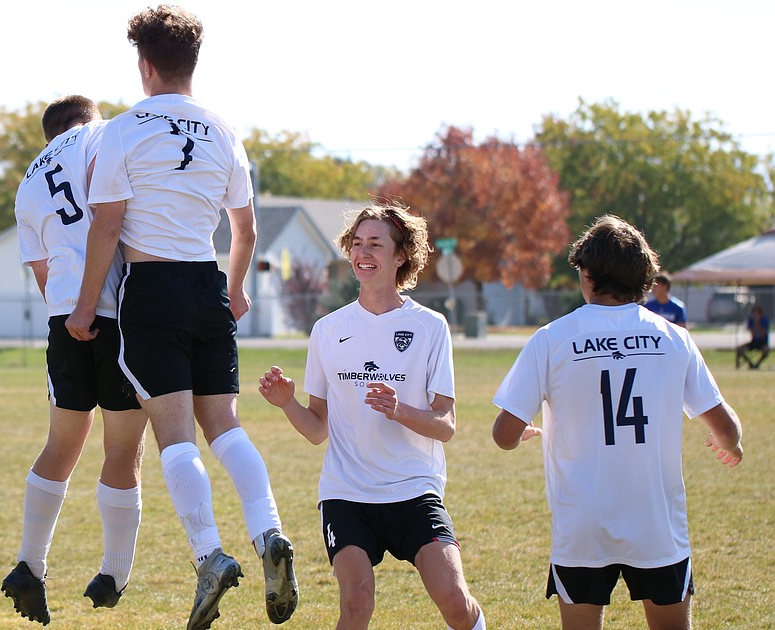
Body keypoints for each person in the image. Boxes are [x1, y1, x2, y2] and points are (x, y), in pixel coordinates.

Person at [65, 6, 297, 628]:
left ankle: (210, 556)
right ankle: (269, 533)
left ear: (144, 65)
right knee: (227, 426)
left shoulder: (121, 130)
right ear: (193, 63)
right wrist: (237, 288)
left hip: (153, 289)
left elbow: (106, 227)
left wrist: (85, 307)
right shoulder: (224, 131)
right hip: (206, 283)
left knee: (174, 436)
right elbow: (244, 228)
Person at [492, 215, 744, 630]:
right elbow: (726, 427)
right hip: (656, 523)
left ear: (587, 274)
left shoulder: (553, 337)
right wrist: (730, 444)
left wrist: (522, 432)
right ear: (644, 279)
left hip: (582, 525)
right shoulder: (672, 338)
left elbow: (503, 435)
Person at [258, 203, 485, 630]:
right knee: (356, 602)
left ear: (401, 256)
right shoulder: (328, 329)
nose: (364, 252)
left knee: (455, 601)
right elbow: (317, 430)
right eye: (357, 243)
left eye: (376, 244)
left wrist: (399, 410)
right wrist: (288, 402)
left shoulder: (430, 327)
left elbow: (446, 425)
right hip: (347, 494)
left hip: (415, 490)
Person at [0, 95, 149, 625]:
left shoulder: (27, 184)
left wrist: (73, 310)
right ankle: (114, 571)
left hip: (63, 320)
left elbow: (41, 272)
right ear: (90, 118)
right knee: (124, 448)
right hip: (114, 313)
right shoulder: (101, 135)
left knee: (61, 444)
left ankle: (29, 563)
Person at [735, 305, 769, 369]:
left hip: (762, 342)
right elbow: (752, 334)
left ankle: (757, 364)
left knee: (766, 350)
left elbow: (763, 334)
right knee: (739, 349)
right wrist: (756, 324)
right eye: (754, 314)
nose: (755, 316)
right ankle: (748, 364)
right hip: (754, 342)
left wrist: (758, 324)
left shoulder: (765, 320)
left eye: (757, 314)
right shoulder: (751, 321)